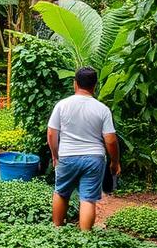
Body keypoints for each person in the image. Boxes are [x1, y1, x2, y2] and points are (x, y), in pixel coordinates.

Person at [47, 66, 120, 231]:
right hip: (94, 159)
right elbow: (110, 140)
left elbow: (51, 133)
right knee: (88, 198)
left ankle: (57, 229)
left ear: (75, 84)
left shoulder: (62, 105)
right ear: (95, 86)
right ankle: (85, 238)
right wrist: (115, 161)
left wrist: (55, 155)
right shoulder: (102, 109)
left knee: (61, 193)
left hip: (67, 156)